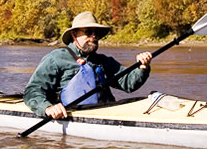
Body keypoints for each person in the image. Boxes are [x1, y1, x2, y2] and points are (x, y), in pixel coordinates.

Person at [24, 11, 152, 120]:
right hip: (70, 115)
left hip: (105, 112)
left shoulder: (103, 61)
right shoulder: (55, 58)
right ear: (74, 34)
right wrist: (48, 107)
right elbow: (32, 91)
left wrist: (142, 67)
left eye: (96, 33)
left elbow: (128, 83)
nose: (94, 36)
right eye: (88, 32)